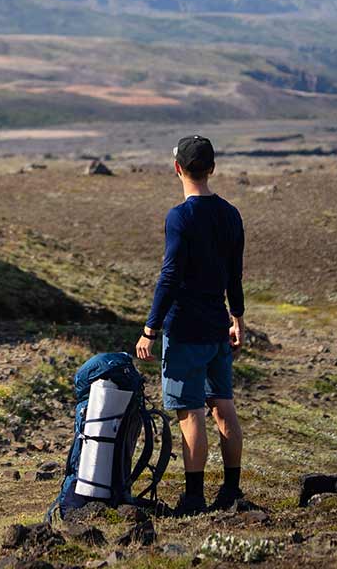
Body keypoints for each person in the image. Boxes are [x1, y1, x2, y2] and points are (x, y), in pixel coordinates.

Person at [135, 134, 246, 516]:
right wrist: (238, 320)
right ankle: (231, 491)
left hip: (184, 331)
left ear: (177, 168)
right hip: (218, 327)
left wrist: (150, 329)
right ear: (212, 168)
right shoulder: (231, 214)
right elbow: (235, 275)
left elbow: (169, 277)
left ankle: (194, 497)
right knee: (224, 407)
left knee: (190, 411)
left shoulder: (179, 217)